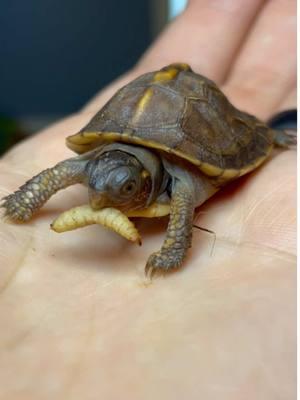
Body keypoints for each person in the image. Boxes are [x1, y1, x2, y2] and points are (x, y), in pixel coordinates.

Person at [0, 0, 296, 398]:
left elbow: (183, 194)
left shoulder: (180, 181)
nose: (101, 196)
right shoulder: (92, 169)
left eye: (122, 190)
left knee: (194, 184)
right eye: (97, 184)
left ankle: (268, 134)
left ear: (144, 181)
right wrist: (23, 202)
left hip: (190, 144)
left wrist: (175, 247)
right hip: (117, 137)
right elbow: (62, 171)